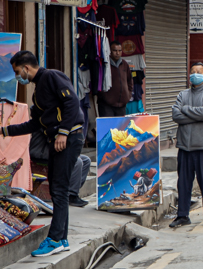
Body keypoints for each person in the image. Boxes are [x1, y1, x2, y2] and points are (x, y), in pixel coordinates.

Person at [1, 51, 84, 256]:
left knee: (59, 189)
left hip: (68, 138)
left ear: (26, 68)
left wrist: (64, 132)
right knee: (58, 190)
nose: (17, 76)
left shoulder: (51, 77)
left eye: (17, 71)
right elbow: (34, 123)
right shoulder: (38, 92)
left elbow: (72, 103)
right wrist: (5, 131)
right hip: (56, 141)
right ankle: (61, 239)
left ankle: (55, 239)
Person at [170, 62, 203, 228]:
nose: (194, 75)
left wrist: (186, 110)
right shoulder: (182, 95)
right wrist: (196, 115)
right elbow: (176, 115)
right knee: (183, 182)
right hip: (185, 146)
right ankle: (182, 215)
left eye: (198, 72)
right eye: (192, 72)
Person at [97, 41, 133, 117]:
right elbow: (99, 81)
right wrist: (104, 96)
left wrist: (128, 95)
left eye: (119, 51)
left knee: (120, 128)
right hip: (107, 105)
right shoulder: (105, 64)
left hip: (122, 105)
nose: (117, 53)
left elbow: (130, 80)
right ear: (110, 51)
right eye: (115, 50)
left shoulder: (124, 64)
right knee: (108, 128)